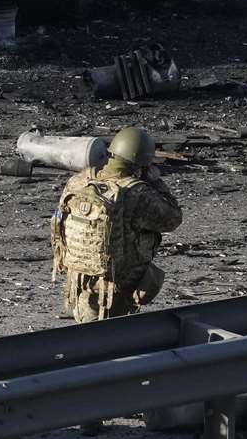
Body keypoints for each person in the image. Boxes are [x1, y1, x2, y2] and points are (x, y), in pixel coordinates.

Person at [52, 126, 182, 323]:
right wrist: (156, 183)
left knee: (86, 328)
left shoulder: (79, 181)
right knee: (113, 336)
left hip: (80, 275)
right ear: (141, 163)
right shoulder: (136, 193)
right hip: (118, 282)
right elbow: (173, 219)